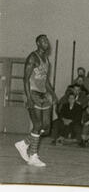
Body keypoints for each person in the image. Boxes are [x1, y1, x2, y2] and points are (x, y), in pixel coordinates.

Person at [15, 34, 57, 167]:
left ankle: (24, 143)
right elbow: (25, 79)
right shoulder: (33, 57)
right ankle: (33, 155)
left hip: (43, 94)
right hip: (32, 93)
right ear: (38, 43)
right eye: (43, 40)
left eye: (47, 40)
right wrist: (28, 98)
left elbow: (46, 81)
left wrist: (53, 94)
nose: (46, 42)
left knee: (46, 127)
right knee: (37, 125)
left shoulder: (47, 60)